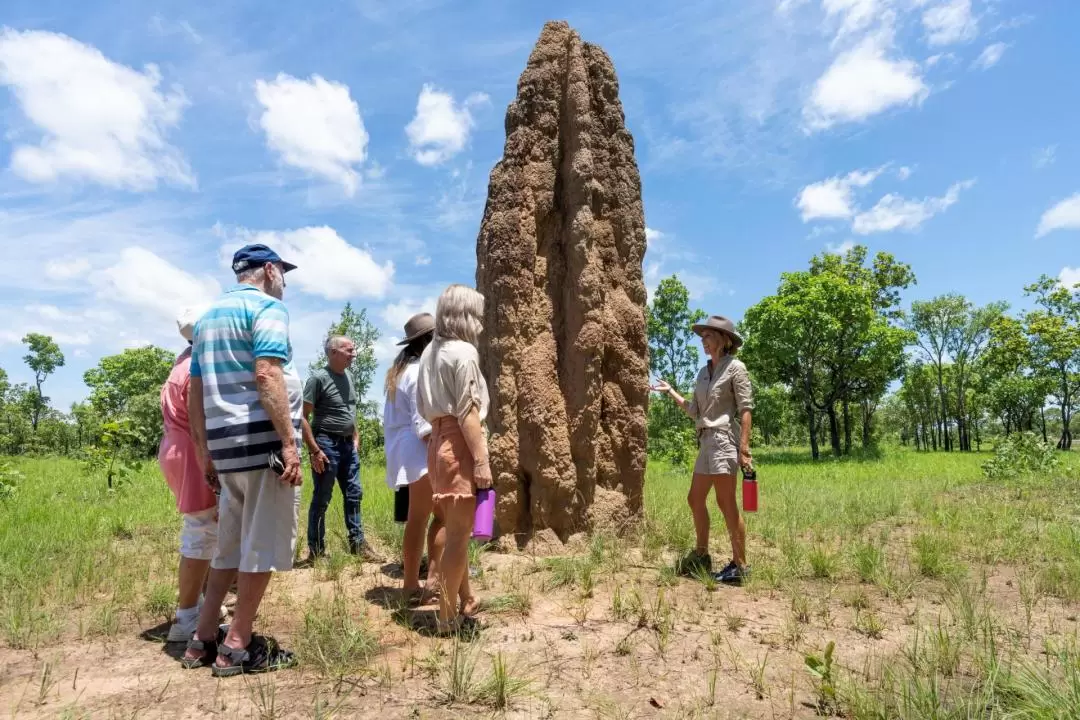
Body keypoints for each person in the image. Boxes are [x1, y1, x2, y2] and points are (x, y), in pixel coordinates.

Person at [181, 243, 305, 676]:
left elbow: (195, 391)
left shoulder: (208, 318)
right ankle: (237, 644)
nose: (284, 282)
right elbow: (267, 373)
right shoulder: (267, 308)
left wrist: (203, 450)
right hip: (262, 447)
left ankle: (202, 638)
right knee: (263, 547)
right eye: (283, 273)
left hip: (225, 450)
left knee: (229, 547)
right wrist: (289, 444)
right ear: (269, 270)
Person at [651, 315, 754, 585]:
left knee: (725, 502)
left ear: (724, 339)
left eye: (708, 336)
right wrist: (671, 391)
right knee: (695, 499)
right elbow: (694, 410)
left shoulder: (736, 368)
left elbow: (745, 410)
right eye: (702, 338)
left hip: (723, 441)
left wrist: (744, 449)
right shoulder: (703, 373)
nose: (703, 342)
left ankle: (740, 566)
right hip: (705, 441)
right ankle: (701, 555)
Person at [416, 285, 488, 634]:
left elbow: (422, 408)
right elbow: (468, 413)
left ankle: (463, 600)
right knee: (460, 535)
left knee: (449, 526)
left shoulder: (429, 353)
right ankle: (446, 620)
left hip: (436, 443)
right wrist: (481, 460)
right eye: (477, 314)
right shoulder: (464, 352)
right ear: (465, 315)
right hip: (459, 441)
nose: (481, 322)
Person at [158, 306, 227, 642]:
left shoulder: (181, 362)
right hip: (192, 452)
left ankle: (198, 604)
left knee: (206, 530)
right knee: (201, 530)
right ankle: (186, 617)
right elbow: (203, 422)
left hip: (177, 448)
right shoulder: (195, 369)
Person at [302, 335, 381, 563]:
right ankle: (316, 552)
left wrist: (355, 437)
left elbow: (350, 409)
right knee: (322, 497)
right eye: (349, 350)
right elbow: (303, 417)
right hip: (326, 444)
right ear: (333, 352)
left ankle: (358, 545)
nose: (353, 354)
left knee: (354, 494)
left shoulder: (349, 376)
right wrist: (315, 451)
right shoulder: (318, 379)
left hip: (348, 446)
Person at [383, 313, 441, 604]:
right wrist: (443, 453)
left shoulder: (402, 371)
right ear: (430, 340)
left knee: (417, 518)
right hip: (420, 450)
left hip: (404, 452)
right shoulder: (419, 372)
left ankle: (412, 584)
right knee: (435, 516)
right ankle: (428, 581)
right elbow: (424, 424)